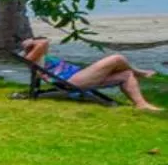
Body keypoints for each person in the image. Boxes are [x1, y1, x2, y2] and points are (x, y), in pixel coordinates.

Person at [21, 35, 161, 110]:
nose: (44, 47)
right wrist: (31, 42)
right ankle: (139, 73)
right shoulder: (32, 58)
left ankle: (141, 104)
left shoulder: (41, 57)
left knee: (126, 75)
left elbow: (43, 44)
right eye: (36, 45)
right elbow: (44, 42)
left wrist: (33, 43)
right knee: (116, 58)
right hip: (72, 81)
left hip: (80, 78)